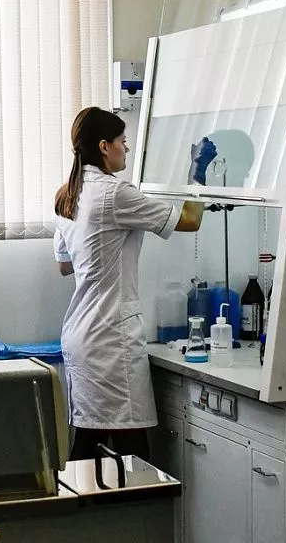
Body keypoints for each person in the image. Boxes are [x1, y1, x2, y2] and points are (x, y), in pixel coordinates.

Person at [53, 106, 216, 460]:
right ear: (104, 146)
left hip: (80, 336)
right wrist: (197, 174)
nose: (126, 148)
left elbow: (64, 266)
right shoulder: (114, 194)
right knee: (132, 455)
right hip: (110, 341)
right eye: (122, 141)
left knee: (89, 447)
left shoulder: (68, 194)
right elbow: (190, 221)